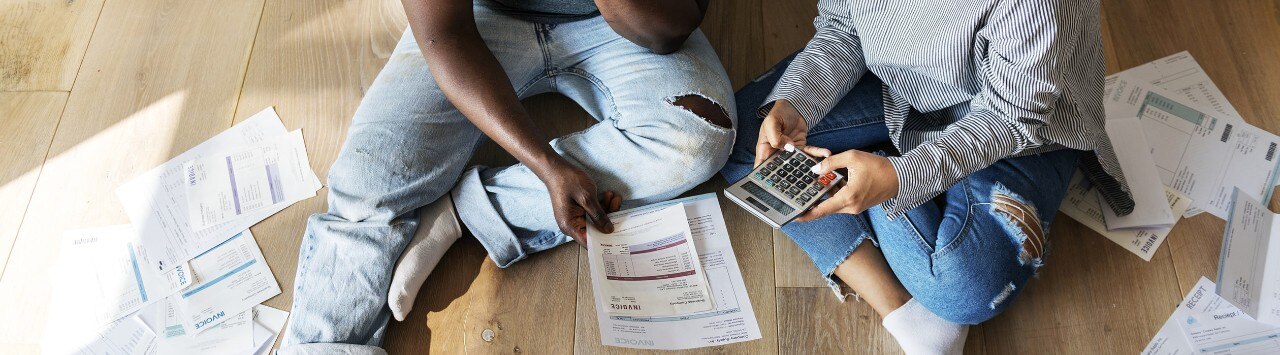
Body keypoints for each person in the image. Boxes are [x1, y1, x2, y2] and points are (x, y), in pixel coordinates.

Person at [279, 0, 735, 353]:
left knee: (698, 138)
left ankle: (465, 211)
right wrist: (546, 166)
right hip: (479, 22)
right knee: (366, 181)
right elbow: (443, 33)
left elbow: (667, 30)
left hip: (617, 30)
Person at [720, 0, 1129, 354]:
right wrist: (796, 103)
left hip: (1012, 128)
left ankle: (876, 175)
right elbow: (845, 26)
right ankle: (899, 305)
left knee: (965, 289)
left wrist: (901, 176)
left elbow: (1010, 116)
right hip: (898, 87)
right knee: (735, 138)